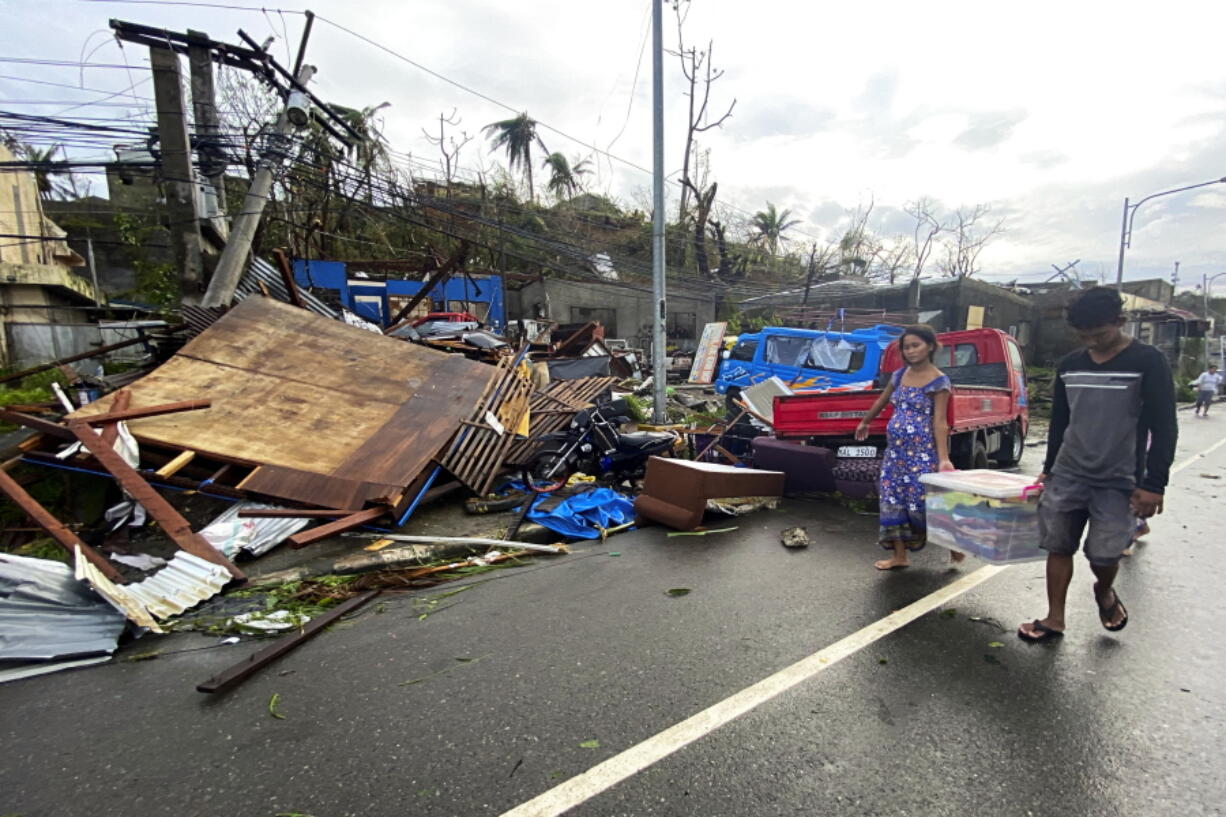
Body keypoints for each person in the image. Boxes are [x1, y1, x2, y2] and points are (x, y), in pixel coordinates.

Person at [1019, 287, 1177, 642]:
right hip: (1068, 473)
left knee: (1104, 555)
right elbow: (1060, 421)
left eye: (1100, 334)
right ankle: (1054, 618)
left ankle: (1104, 591)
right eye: (1084, 336)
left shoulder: (1147, 361)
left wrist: (1154, 484)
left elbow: (1164, 426)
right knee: (1058, 545)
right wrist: (1049, 467)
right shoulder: (1071, 365)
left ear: (1121, 322)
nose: (1092, 342)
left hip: (1119, 479)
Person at [855, 325, 961, 571]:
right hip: (895, 455)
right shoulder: (899, 374)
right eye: (906, 347)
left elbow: (940, 422)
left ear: (931, 346)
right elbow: (882, 401)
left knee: (922, 504)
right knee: (892, 501)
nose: (911, 351)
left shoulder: (939, 381)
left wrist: (943, 459)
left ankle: (954, 544)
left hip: (922, 454)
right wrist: (865, 421)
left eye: (916, 345)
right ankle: (899, 556)